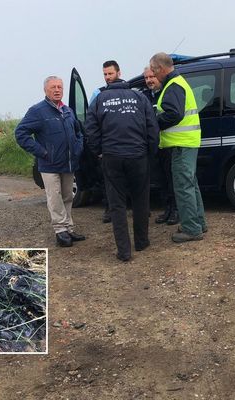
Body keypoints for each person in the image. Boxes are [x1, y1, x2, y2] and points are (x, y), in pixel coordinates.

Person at [85, 74, 159, 261]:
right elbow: (153, 128)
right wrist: (150, 153)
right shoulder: (139, 97)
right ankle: (142, 242)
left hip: (112, 156)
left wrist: (99, 152)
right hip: (138, 155)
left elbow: (90, 129)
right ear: (124, 82)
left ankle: (124, 251)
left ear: (109, 84)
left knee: (117, 204)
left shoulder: (100, 99)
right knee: (141, 200)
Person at [15, 76, 85, 247]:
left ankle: (68, 227)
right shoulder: (37, 111)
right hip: (49, 164)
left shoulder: (67, 110)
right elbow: (21, 133)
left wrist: (78, 146)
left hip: (68, 163)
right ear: (45, 90)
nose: (57, 90)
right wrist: (42, 152)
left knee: (68, 196)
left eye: (60, 87)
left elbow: (78, 131)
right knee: (55, 197)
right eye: (53, 87)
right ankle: (60, 230)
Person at [149, 52, 207, 243]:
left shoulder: (173, 86)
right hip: (187, 142)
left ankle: (191, 229)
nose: (153, 75)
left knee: (183, 187)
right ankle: (198, 223)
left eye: (154, 71)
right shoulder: (178, 83)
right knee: (191, 184)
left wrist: (153, 122)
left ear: (160, 69)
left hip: (181, 143)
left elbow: (174, 114)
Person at [143, 66, 178, 226]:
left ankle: (175, 211)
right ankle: (167, 209)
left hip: (170, 144)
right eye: (146, 78)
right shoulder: (144, 97)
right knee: (161, 181)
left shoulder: (166, 93)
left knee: (172, 180)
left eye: (152, 77)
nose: (149, 80)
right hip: (155, 146)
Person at [91, 60, 122, 224]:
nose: (108, 77)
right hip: (107, 145)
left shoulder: (128, 91)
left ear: (119, 73)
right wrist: (97, 148)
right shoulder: (98, 94)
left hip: (127, 144)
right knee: (107, 180)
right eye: (105, 74)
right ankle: (109, 209)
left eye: (110, 73)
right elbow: (92, 122)